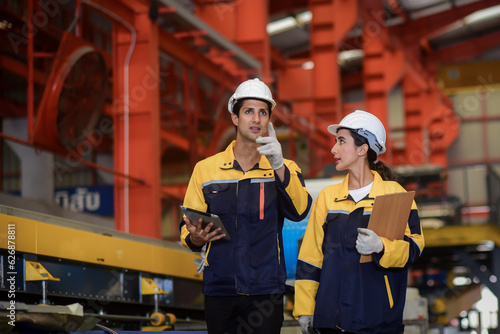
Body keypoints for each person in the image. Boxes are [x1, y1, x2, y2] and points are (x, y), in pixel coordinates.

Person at [179, 78, 312, 334]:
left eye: (263, 112)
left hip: (265, 292)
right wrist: (195, 239)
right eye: (248, 111)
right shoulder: (206, 170)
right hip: (220, 290)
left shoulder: (286, 169)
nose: (256, 118)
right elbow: (187, 227)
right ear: (235, 118)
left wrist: (278, 165)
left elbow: (299, 211)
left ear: (269, 120)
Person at [293, 110, 425, 334]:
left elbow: (416, 246)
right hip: (330, 320)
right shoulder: (327, 197)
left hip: (378, 319)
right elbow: (311, 258)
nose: (333, 149)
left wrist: (382, 247)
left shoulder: (393, 194)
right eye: (335, 142)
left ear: (363, 149)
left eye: (341, 141)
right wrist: (305, 308)